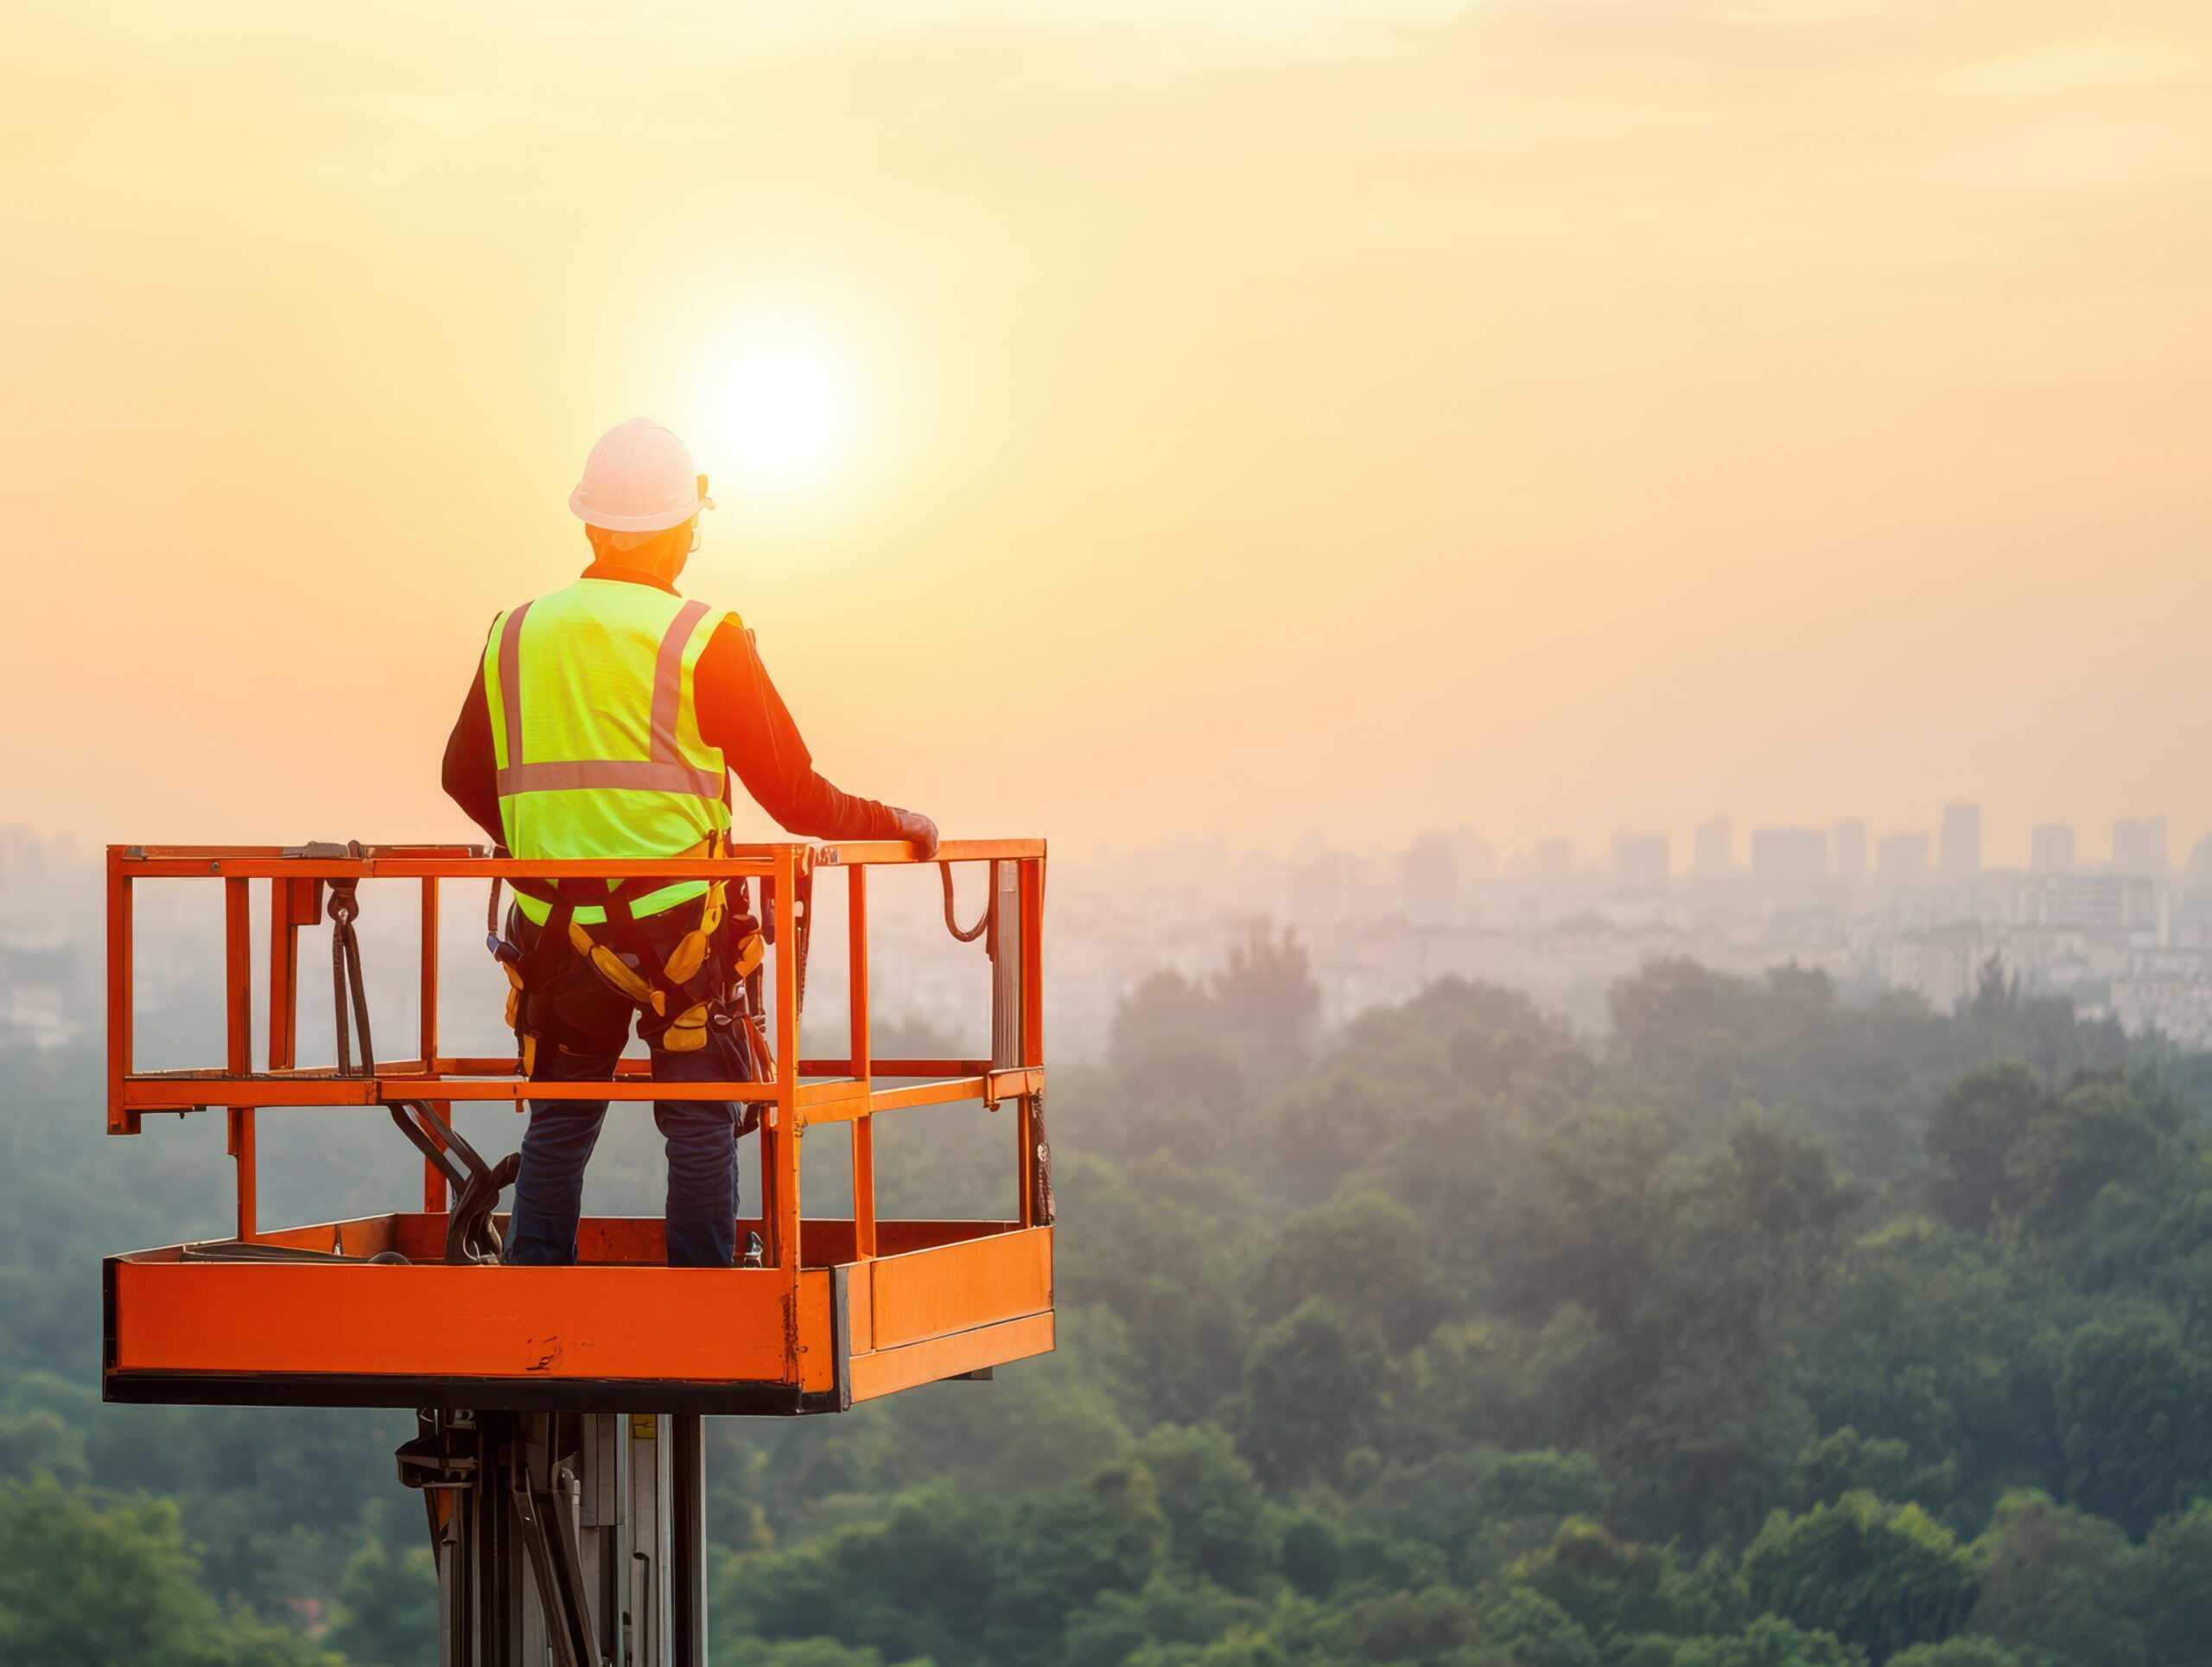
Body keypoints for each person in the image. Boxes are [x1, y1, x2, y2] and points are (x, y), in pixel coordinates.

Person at [441, 417, 937, 1267]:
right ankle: (704, 1294)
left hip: (555, 932)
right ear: (686, 529)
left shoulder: (517, 632)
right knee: (699, 1118)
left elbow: (462, 775)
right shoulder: (705, 639)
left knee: (562, 1120)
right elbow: (794, 793)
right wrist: (899, 826)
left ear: (591, 523)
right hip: (677, 932)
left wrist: (547, 852)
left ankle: (532, 1295)